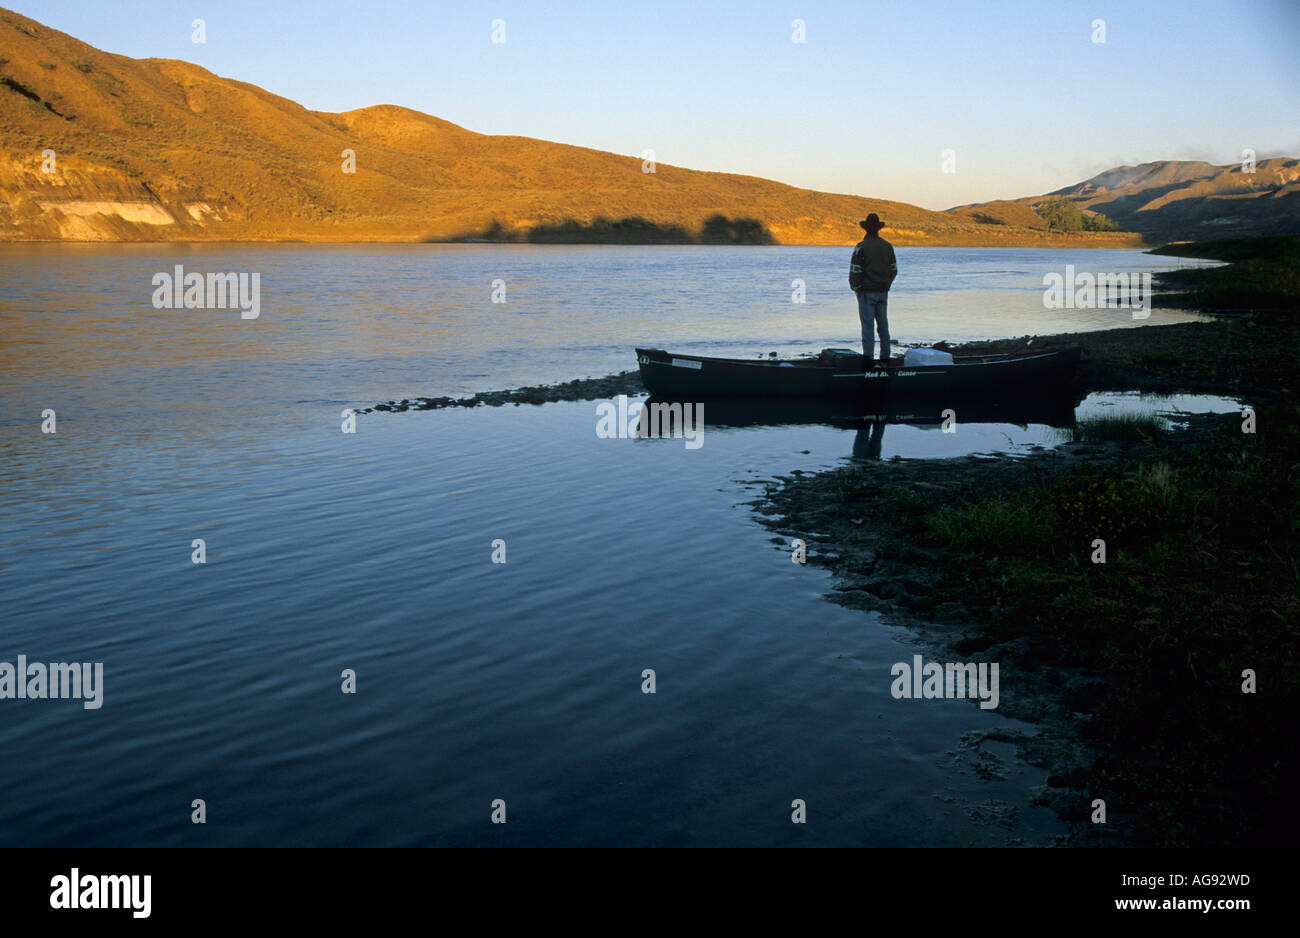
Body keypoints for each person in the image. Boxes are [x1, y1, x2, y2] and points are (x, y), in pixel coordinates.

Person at [849, 213, 898, 366]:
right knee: (883, 325)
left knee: (868, 327)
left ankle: (868, 358)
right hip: (883, 292)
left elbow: (855, 271)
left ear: (866, 229)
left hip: (866, 293)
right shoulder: (887, 246)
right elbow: (894, 270)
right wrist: (886, 284)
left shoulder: (861, 247)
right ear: (878, 229)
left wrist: (856, 288)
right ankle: (885, 357)